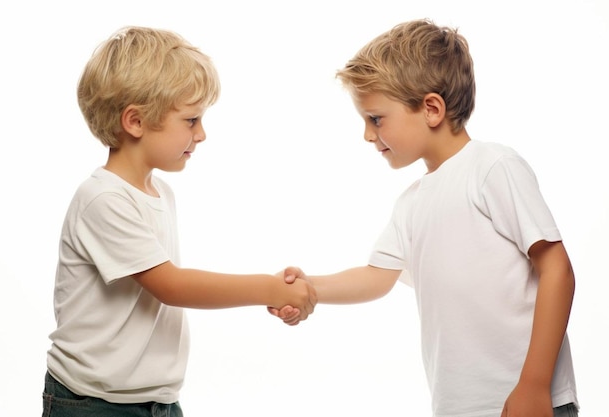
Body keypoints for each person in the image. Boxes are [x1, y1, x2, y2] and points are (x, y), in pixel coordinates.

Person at [270, 19, 579, 417]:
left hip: (527, 404)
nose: (367, 135)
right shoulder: (411, 203)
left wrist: (534, 386)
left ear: (431, 108)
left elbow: (557, 268)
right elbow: (375, 276)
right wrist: (309, 288)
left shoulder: (492, 167)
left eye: (376, 119)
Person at [42, 26, 317, 417]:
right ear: (135, 122)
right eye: (190, 120)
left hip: (158, 401)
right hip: (93, 404)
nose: (202, 134)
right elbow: (171, 286)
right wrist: (271, 290)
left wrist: (276, 291)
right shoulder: (103, 199)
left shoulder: (159, 193)